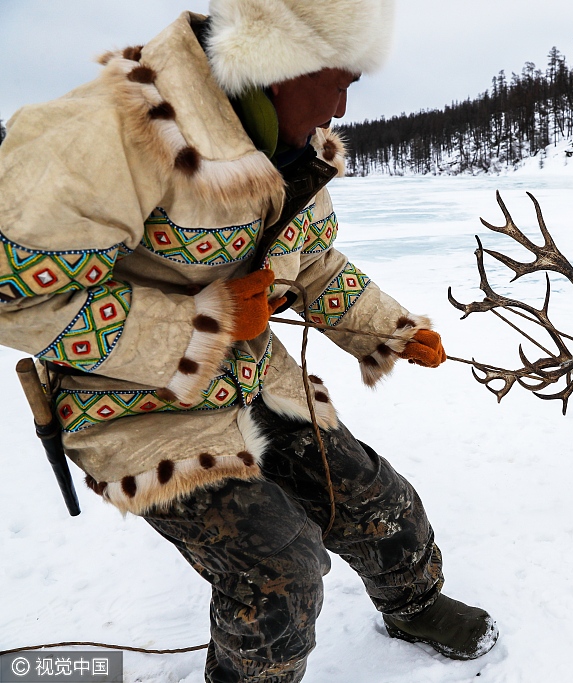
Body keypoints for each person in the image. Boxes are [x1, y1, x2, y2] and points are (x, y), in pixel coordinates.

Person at [0, 0, 497, 679]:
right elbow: (17, 295)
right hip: (138, 409)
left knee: (382, 501)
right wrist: (210, 318)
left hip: (252, 379)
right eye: (344, 80)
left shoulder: (294, 149)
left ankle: (414, 603)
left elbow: (314, 265)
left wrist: (394, 329)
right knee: (279, 575)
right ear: (283, 60)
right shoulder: (109, 130)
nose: (344, 109)